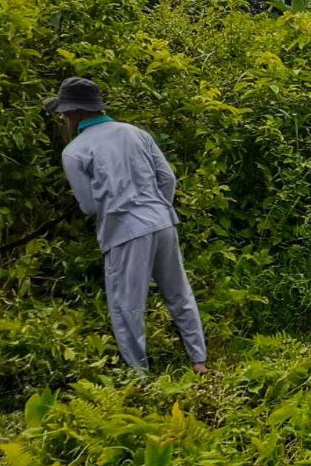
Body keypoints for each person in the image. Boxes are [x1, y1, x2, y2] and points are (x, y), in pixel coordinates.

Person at [44, 77, 208, 374]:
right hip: (162, 221)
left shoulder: (74, 151)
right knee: (179, 294)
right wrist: (156, 206)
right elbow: (167, 178)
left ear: (75, 112)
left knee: (127, 306)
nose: (64, 119)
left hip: (124, 231)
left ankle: (139, 376)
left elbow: (89, 206)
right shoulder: (136, 133)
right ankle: (199, 361)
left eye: (64, 114)